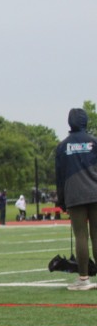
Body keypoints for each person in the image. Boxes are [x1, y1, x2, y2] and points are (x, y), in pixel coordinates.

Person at [55, 108, 97, 291]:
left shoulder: (62, 146)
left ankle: (83, 278)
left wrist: (61, 200)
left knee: (81, 235)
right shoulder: (94, 142)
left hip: (74, 194)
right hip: (95, 192)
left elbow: (59, 176)